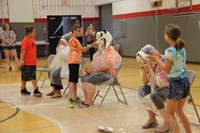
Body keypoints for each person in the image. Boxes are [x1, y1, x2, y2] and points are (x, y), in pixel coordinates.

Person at [148, 24, 192, 133]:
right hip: (185, 82)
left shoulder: (170, 51)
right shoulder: (181, 49)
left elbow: (166, 69)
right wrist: (159, 57)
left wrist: (156, 60)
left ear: (167, 36)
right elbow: (173, 64)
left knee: (170, 114)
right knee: (180, 112)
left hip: (176, 84)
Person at [80, 30, 121, 108]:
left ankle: (89, 101)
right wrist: (90, 69)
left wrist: (95, 71)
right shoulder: (100, 51)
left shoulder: (111, 51)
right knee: (84, 78)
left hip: (109, 74)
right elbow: (96, 63)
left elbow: (108, 66)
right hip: (100, 72)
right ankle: (87, 99)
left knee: (90, 79)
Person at [136, 44, 171, 132]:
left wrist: (150, 70)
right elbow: (145, 82)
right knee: (142, 90)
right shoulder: (150, 63)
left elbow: (161, 84)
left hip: (172, 89)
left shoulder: (162, 60)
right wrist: (143, 69)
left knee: (155, 95)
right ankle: (152, 119)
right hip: (160, 87)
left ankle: (168, 122)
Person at [67, 25, 98, 108]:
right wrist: (91, 45)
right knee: (72, 80)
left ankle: (75, 97)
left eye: (80, 31)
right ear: (73, 31)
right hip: (73, 62)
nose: (80, 32)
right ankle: (70, 99)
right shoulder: (74, 40)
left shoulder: (75, 40)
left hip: (76, 62)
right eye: (78, 31)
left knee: (75, 80)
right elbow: (82, 49)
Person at [18, 26, 42, 97]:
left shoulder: (33, 40)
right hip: (26, 62)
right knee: (25, 76)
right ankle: (25, 89)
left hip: (33, 62)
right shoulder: (25, 40)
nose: (35, 33)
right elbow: (23, 51)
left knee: (33, 76)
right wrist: (21, 61)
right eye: (33, 32)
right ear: (29, 33)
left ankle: (33, 89)